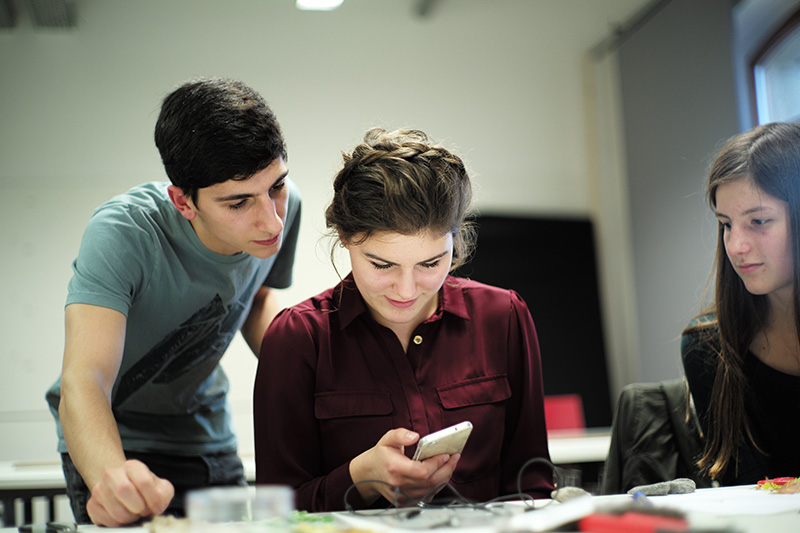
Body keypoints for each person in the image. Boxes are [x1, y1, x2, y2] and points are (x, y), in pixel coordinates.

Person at [45, 77, 302, 526]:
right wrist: (114, 475)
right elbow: (85, 379)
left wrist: (311, 369)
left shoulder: (287, 206)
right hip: (116, 442)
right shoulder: (124, 234)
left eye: (276, 186)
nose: (271, 220)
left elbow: (256, 299)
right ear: (184, 203)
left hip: (208, 438)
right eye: (238, 203)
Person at [253, 128, 553, 512]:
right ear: (345, 238)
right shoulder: (297, 338)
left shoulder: (503, 316)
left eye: (430, 263)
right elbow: (275, 514)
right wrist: (359, 477)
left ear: (455, 241)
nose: (407, 290)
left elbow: (533, 482)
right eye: (382, 264)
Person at [682, 122, 800, 486]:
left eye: (759, 221)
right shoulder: (708, 346)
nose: (735, 246)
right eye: (726, 224)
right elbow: (743, 491)